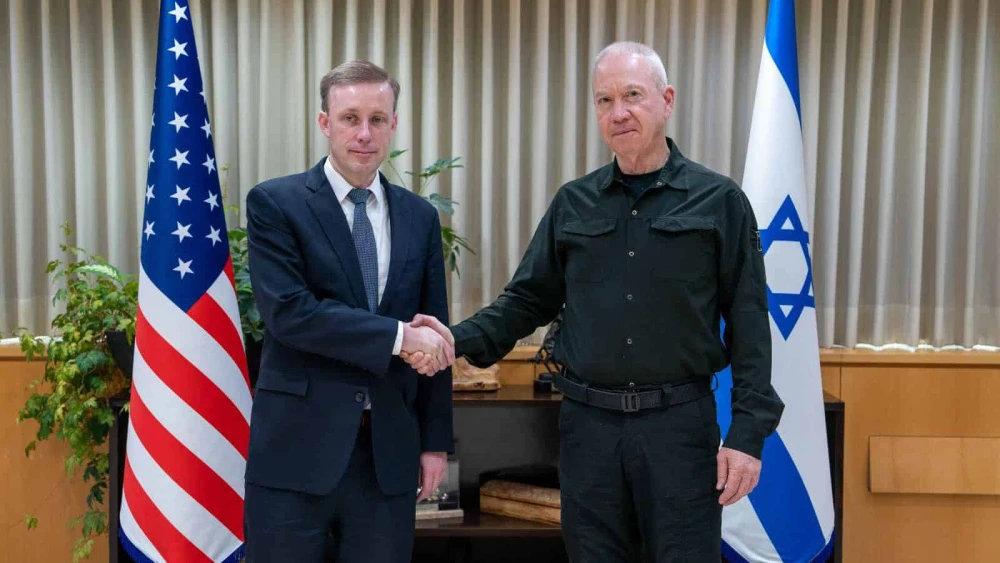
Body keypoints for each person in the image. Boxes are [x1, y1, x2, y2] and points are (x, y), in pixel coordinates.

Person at [404, 41, 784, 561]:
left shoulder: (719, 201)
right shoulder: (573, 203)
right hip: (589, 431)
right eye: (604, 100)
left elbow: (749, 322)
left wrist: (747, 435)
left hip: (679, 429)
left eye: (632, 95)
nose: (618, 112)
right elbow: (525, 301)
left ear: (667, 100)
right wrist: (454, 338)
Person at [244, 60, 456, 563]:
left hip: (387, 457)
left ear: (393, 124)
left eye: (377, 119)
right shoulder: (276, 203)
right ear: (325, 123)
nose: (364, 134)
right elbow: (291, 313)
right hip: (295, 454)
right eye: (350, 118)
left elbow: (433, 327)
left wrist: (435, 444)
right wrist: (400, 338)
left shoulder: (420, 217)